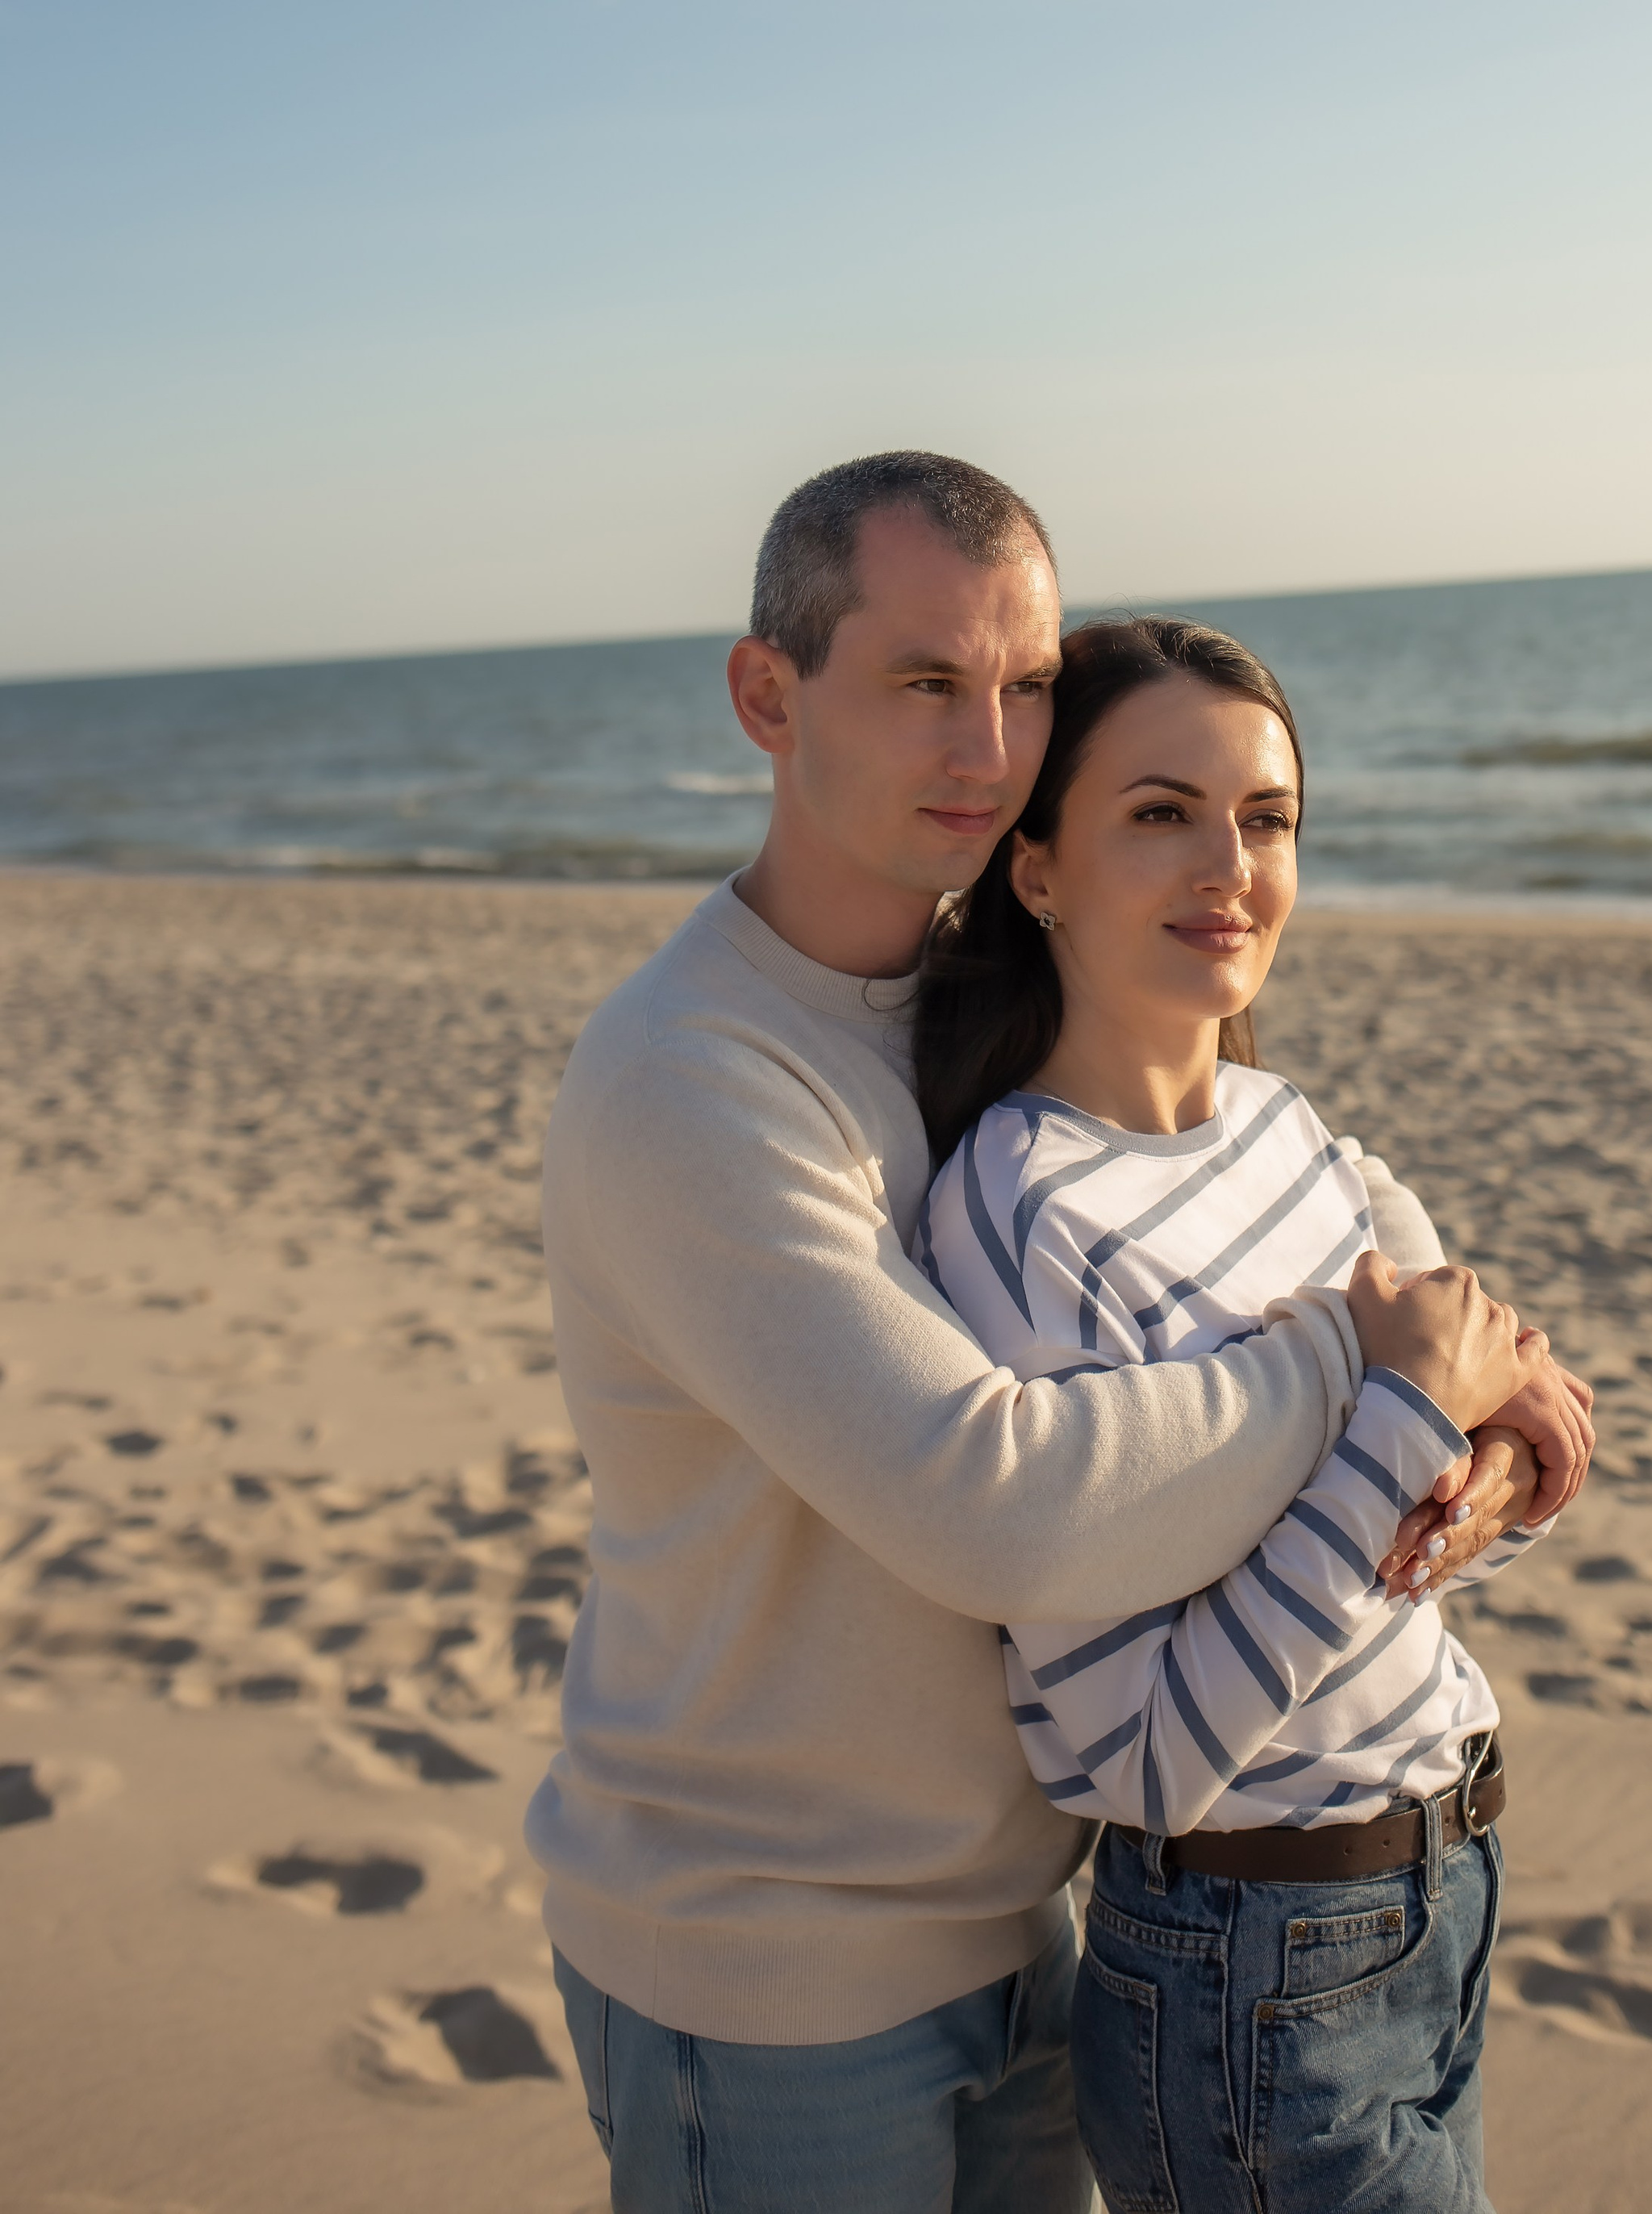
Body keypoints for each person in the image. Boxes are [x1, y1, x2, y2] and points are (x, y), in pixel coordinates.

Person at [528, 451, 1592, 2214]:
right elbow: (1000, 1503)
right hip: (772, 1955)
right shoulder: (692, 1080)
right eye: (925, 682)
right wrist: (1372, 1367)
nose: (986, 745)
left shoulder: (987, 1013)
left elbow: (1366, 1249)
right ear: (764, 695)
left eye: (1023, 688)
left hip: (1039, 1915)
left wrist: (1490, 1417)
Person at [916, 615, 1580, 2213]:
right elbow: (1139, 1757)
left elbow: (1487, 1464)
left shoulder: (1293, 1133)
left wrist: (1481, 1461)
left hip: (1443, 1890)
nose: (1231, 864)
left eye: (1265, 819)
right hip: (1253, 1970)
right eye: (1159, 812)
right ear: (1036, 868)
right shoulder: (1023, 1216)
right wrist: (1417, 1414)